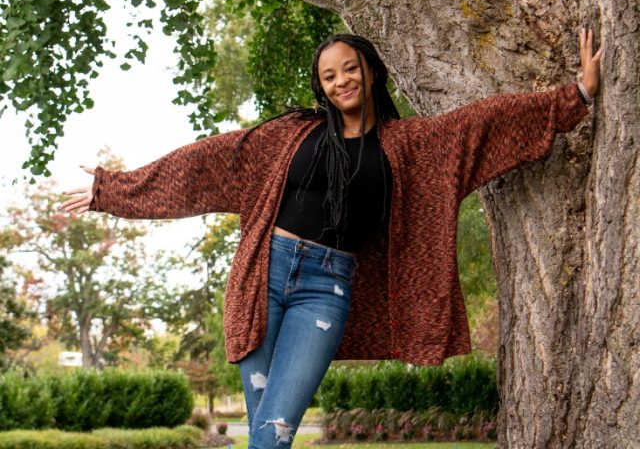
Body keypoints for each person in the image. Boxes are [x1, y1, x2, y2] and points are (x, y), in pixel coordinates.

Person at [61, 28, 603, 448]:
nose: (340, 81)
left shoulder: (411, 143)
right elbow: (203, 163)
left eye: (350, 69)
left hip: (326, 291)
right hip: (264, 277)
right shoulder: (289, 136)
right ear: (319, 85)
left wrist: (574, 94)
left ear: (370, 72)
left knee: (275, 426)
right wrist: (115, 190)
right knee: (264, 431)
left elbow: (482, 123)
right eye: (328, 76)